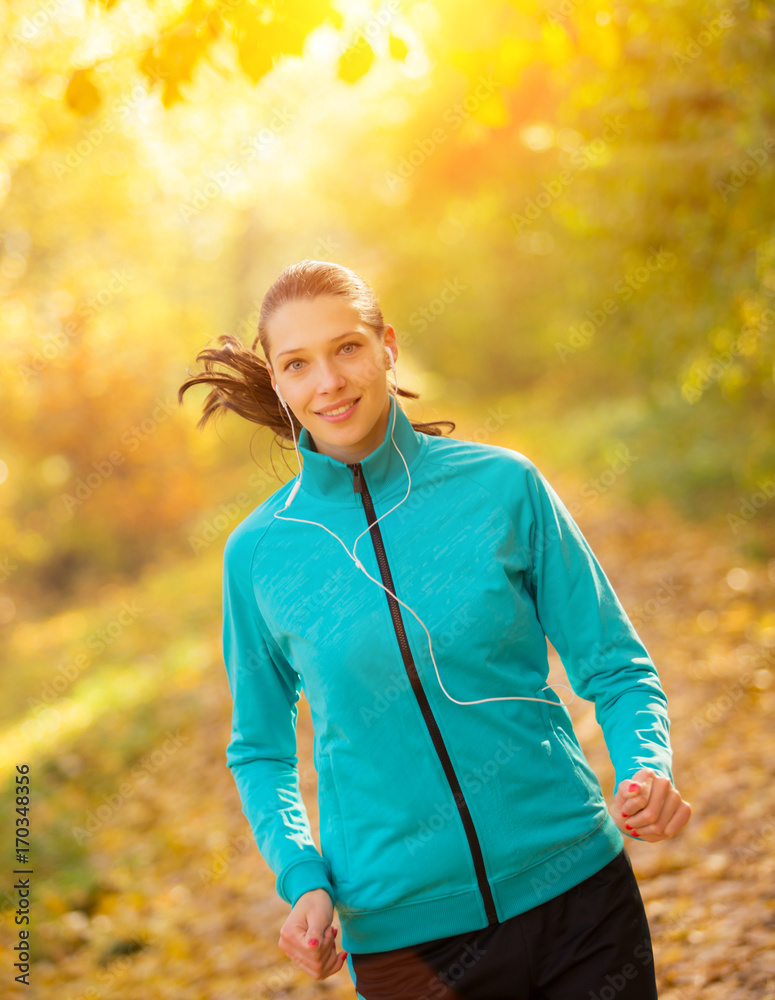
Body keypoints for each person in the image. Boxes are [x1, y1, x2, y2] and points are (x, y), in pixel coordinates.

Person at [178, 259, 692, 1000]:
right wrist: (302, 876)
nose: (328, 381)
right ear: (279, 381)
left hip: (578, 893)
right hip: (403, 941)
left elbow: (614, 665)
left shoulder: (502, 485)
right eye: (298, 363)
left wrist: (646, 762)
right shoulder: (259, 554)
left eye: (347, 347)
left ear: (387, 346)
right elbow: (259, 750)